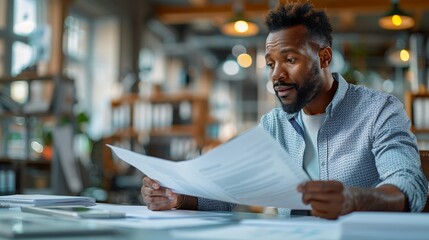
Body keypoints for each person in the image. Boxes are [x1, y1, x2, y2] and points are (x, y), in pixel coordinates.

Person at [141, 1, 428, 220]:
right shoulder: (273, 126)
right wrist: (177, 197)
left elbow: (408, 183)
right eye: (271, 64)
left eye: (290, 59)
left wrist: (355, 200)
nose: (277, 74)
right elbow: (228, 192)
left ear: (324, 57)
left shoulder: (379, 111)